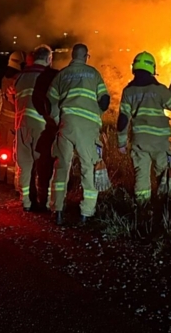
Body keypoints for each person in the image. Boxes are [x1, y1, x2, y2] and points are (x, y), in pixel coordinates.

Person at [47, 43, 110, 225]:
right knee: (89, 168)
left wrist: (58, 118)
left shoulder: (62, 75)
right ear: (86, 56)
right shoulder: (94, 74)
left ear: (72, 56)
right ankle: (85, 214)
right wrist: (97, 114)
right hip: (88, 129)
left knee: (61, 167)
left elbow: (50, 100)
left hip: (66, 126)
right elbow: (104, 100)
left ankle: (57, 210)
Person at [116, 51, 171, 203]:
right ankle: (166, 206)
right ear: (152, 68)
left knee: (142, 176)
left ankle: (142, 208)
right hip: (160, 142)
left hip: (140, 142)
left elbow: (123, 119)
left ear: (135, 68)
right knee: (164, 175)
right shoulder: (159, 89)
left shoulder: (129, 91)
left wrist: (121, 143)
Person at [13, 44, 58, 212]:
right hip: (41, 125)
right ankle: (44, 202)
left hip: (21, 125)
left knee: (24, 164)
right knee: (44, 164)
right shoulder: (48, 76)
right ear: (48, 58)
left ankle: (25, 201)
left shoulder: (20, 76)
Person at [0, 50, 25, 183]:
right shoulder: (16, 80)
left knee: (3, 149)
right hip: (14, 121)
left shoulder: (4, 78)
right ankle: (10, 179)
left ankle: (2, 176)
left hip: (3, 120)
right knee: (13, 151)